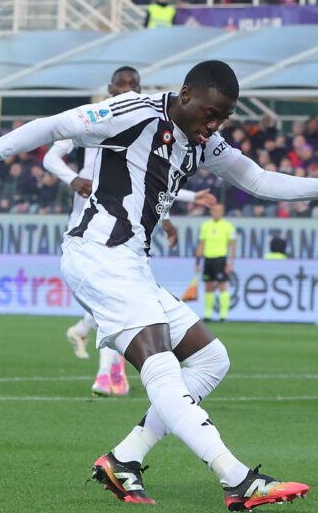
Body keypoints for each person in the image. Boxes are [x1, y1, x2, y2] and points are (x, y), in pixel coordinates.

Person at [0, 60, 318, 511]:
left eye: (223, 118)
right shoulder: (134, 111)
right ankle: (236, 478)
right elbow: (54, 126)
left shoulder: (202, 142)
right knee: (160, 365)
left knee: (210, 360)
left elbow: (256, 178)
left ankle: (124, 458)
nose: (215, 126)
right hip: (99, 254)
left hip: (133, 264)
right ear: (186, 95)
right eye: (210, 114)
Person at [43, 66, 216, 397]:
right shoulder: (94, 119)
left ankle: (101, 360)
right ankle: (107, 371)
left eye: (133, 84)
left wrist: (175, 210)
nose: (127, 89)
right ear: (110, 89)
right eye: (121, 84)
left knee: (122, 299)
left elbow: (153, 182)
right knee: (121, 299)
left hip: (128, 223)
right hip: (90, 222)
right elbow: (50, 158)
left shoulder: (143, 122)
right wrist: (73, 179)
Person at [196, 204, 236, 322]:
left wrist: (230, 262)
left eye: (219, 211)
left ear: (222, 212)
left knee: (222, 285)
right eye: (214, 211)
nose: (216, 213)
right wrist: (198, 261)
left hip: (220, 259)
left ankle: (223, 315)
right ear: (211, 212)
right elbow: (201, 244)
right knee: (208, 286)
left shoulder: (228, 226)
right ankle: (208, 314)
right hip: (208, 259)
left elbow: (232, 245)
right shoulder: (205, 226)